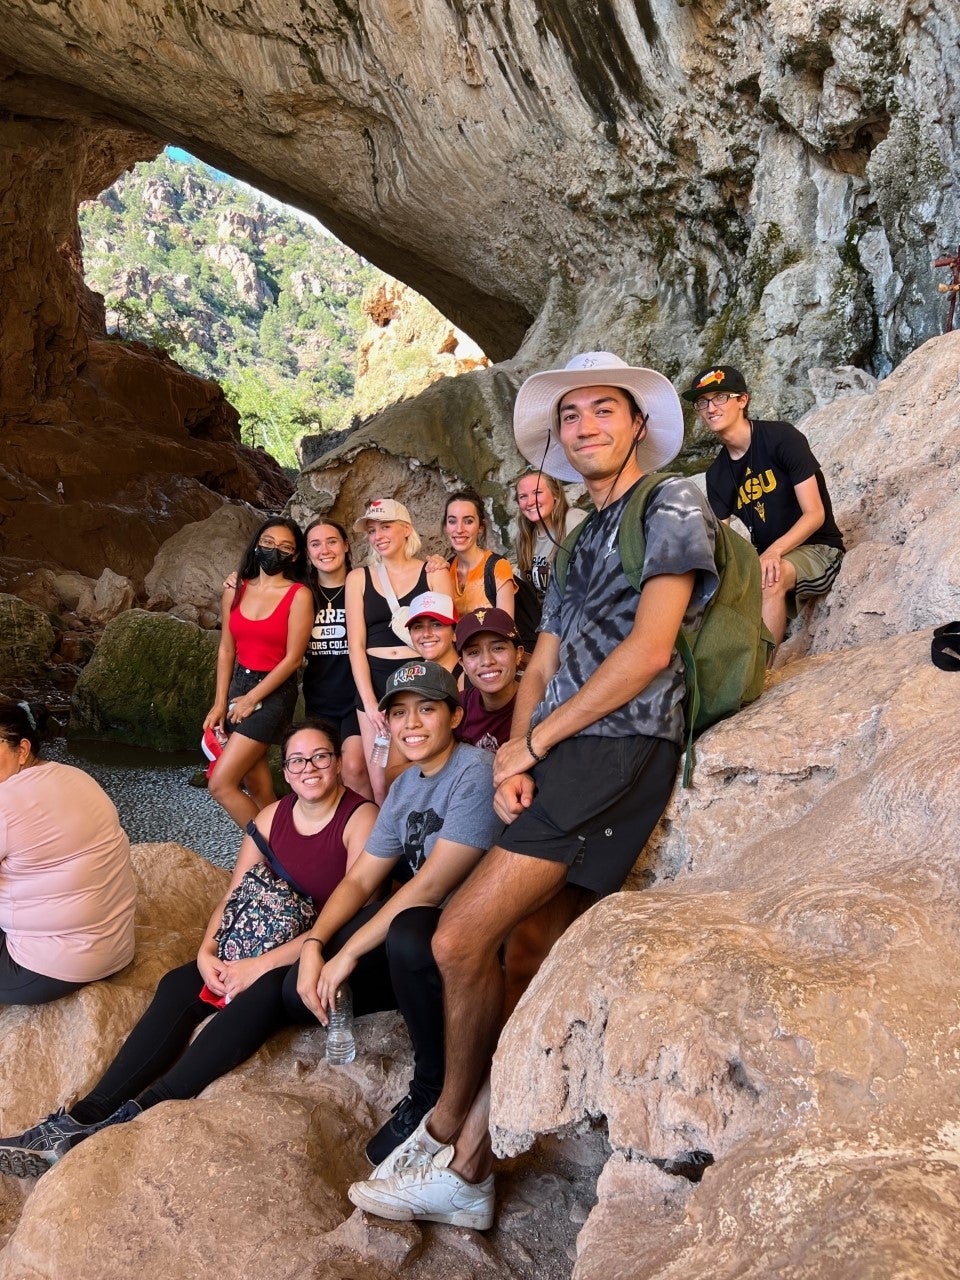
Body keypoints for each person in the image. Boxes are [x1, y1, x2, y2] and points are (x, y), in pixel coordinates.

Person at [347, 351, 721, 1230]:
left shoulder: (670, 503)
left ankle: (443, 1135)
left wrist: (539, 744)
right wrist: (516, 747)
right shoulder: (584, 532)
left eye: (603, 411)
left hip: (622, 746)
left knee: (457, 939)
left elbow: (650, 651)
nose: (585, 427)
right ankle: (471, 1164)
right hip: (564, 751)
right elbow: (542, 657)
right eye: (572, 417)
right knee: (524, 951)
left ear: (637, 425)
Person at [0, 720, 377, 1179]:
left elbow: (348, 917)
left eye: (320, 757)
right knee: (181, 982)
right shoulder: (270, 818)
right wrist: (209, 950)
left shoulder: (360, 819)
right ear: (287, 768)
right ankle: (84, 1115)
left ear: (337, 763)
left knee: (258, 998)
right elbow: (233, 895)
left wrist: (257, 967)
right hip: (259, 937)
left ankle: (135, 1115)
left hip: (317, 949)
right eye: (297, 760)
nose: (309, 768)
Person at [295, 660, 501, 1169]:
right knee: (301, 982)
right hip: (423, 940)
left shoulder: (473, 771)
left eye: (426, 710)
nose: (411, 724)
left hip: (468, 939)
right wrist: (317, 945)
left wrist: (348, 954)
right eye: (400, 713)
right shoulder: (407, 785)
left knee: (406, 933)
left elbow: (432, 885)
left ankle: (432, 1086)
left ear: (454, 716)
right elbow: (362, 878)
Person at [685, 366, 845, 649]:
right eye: (702, 402)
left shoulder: (781, 438)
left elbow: (815, 514)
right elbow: (720, 541)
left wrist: (773, 551)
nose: (710, 408)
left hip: (819, 548)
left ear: (742, 401)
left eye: (720, 397)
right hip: (767, 558)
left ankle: (763, 676)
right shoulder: (717, 475)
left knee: (769, 578)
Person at [0, 701, 136, 1006]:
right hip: (116, 946)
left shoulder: (5, 804)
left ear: (21, 750)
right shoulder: (75, 775)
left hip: (44, 970)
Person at [204, 518, 314, 829]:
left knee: (221, 784)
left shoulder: (299, 595)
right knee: (258, 785)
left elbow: (293, 659)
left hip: (273, 692)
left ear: (294, 556)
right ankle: (286, 839)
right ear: (256, 544)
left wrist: (251, 699)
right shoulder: (235, 589)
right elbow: (226, 649)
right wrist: (219, 703)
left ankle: (274, 851)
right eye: (267, 543)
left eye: (285, 547)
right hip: (239, 682)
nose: (273, 551)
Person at [346, 499, 453, 804]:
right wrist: (368, 701)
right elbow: (356, 645)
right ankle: (390, 851)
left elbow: (445, 638)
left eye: (385, 527)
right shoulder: (358, 578)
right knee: (381, 784)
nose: (378, 535)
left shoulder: (433, 573)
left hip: (418, 677)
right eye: (372, 530)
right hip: (375, 680)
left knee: (424, 772)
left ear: (406, 529)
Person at [303, 518, 372, 800]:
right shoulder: (301, 593)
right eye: (315, 544)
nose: (325, 550)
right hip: (319, 698)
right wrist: (238, 581)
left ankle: (374, 836)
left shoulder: (366, 585)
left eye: (332, 541)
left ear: (345, 545)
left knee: (354, 767)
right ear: (307, 553)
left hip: (358, 697)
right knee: (327, 773)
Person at [431, 490, 515, 619]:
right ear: (445, 526)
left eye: (468, 521)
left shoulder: (497, 567)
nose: (459, 529)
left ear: (481, 527)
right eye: (452, 521)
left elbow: (507, 626)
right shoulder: (445, 570)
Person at [454, 608, 523, 753]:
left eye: (498, 648)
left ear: (518, 654)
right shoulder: (459, 707)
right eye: (473, 652)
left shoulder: (543, 703)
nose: (487, 661)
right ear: (463, 664)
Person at [514, 470, 587, 600]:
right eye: (523, 496)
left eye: (537, 493)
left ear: (555, 494)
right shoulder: (524, 537)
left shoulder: (575, 521)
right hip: (545, 616)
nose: (530, 502)